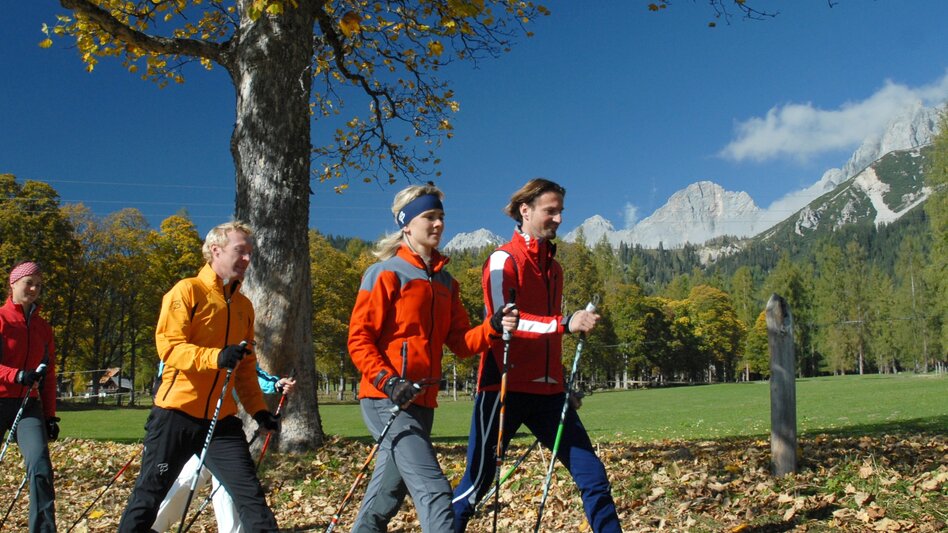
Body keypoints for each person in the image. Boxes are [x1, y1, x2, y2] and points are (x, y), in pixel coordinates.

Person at [451, 178, 622, 532]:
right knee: (476, 484)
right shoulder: (503, 260)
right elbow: (507, 323)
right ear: (525, 211)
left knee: (593, 476)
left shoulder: (554, 269)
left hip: (548, 395)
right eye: (551, 210)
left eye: (561, 211)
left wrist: (559, 380)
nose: (559, 218)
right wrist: (565, 322)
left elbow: (547, 338)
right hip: (501, 390)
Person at [347, 184, 518, 532]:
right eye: (429, 217)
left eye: (441, 217)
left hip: (423, 401)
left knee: (386, 495)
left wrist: (493, 327)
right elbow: (359, 339)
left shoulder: (446, 282)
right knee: (435, 492)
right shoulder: (384, 274)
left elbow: (461, 342)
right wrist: (389, 381)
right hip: (386, 398)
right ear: (406, 224)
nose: (438, 224)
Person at [118, 221, 281, 532]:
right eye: (240, 251)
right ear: (215, 251)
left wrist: (259, 411)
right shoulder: (187, 291)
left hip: (221, 420)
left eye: (249, 253)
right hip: (175, 415)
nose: (247, 259)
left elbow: (245, 368)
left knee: (250, 496)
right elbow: (169, 347)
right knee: (149, 495)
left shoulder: (245, 306)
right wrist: (216, 357)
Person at [151, 366, 296, 532]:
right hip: (190, 423)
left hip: (222, 429)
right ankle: (153, 527)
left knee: (226, 488)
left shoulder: (237, 343)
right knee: (188, 478)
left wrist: (276, 384)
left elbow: (247, 372)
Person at [0, 261, 58, 532]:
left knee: (40, 468)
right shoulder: (1, 319)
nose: (34, 289)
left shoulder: (43, 329)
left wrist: (50, 416)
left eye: (38, 284)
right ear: (13, 284)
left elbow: (48, 376)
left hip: (27, 405)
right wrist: (16, 375)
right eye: (29, 283)